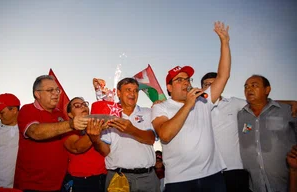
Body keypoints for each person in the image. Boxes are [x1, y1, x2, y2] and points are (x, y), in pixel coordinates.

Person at [151, 21, 230, 192]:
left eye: (187, 79)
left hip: (212, 176)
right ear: (169, 88)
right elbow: (164, 135)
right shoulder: (161, 107)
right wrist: (187, 105)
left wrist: (224, 42)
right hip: (180, 181)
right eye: (179, 79)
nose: (185, 82)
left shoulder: (204, 101)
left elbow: (223, 76)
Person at [201, 72, 297, 192]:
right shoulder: (194, 108)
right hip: (209, 172)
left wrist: (291, 102)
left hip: (236, 171)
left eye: (215, 83)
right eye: (206, 84)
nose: (211, 87)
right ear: (201, 88)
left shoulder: (234, 103)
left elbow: (259, 101)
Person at [14, 75, 88, 191]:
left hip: (59, 185)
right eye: (50, 90)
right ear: (37, 94)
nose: (56, 93)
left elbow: (73, 146)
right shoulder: (27, 110)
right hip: (31, 186)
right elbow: (35, 132)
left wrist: (94, 133)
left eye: (57, 90)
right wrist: (70, 124)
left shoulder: (60, 114)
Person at [87, 77, 160, 192]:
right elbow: (105, 151)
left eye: (135, 90)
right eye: (128, 90)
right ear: (118, 93)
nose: (132, 93)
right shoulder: (109, 115)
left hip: (147, 178)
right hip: (118, 177)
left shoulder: (148, 112)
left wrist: (131, 130)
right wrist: (95, 139)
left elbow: (150, 139)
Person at [237, 75, 297, 192]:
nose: (249, 89)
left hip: (288, 183)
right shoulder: (240, 115)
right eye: (246, 87)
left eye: (254, 85)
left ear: (267, 90)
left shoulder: (288, 111)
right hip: (255, 186)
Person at [62, 97, 107, 192]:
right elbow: (77, 148)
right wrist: (95, 129)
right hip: (80, 180)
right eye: (77, 106)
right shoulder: (68, 130)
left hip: (102, 178)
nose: (83, 107)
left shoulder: (101, 125)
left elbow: (107, 151)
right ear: (70, 114)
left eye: (85, 104)